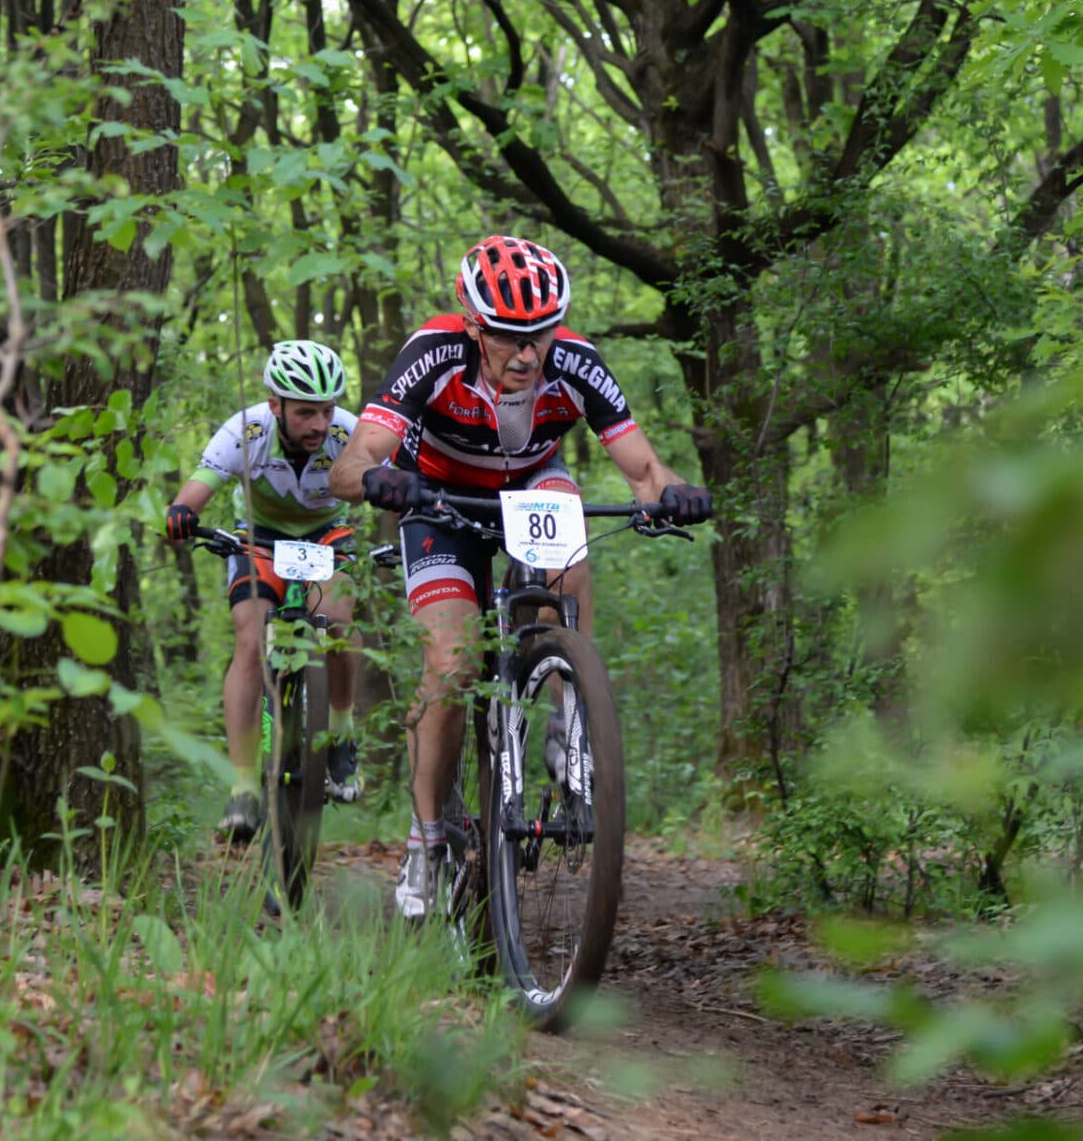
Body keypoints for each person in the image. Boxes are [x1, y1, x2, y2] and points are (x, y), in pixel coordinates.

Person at [328, 234, 712, 919]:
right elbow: (352, 460)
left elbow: (646, 469)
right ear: (474, 327)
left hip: (532, 487)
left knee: (567, 519)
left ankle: (571, 721)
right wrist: (376, 479)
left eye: (540, 333)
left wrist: (675, 491)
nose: (528, 354)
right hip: (438, 502)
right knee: (450, 663)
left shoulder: (576, 362)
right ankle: (425, 835)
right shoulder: (433, 354)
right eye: (508, 337)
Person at [165, 339, 366, 844]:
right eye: (305, 413)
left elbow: (388, 483)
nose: (320, 424)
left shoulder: (348, 431)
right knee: (250, 641)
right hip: (259, 538)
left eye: (326, 409)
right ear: (275, 405)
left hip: (328, 537)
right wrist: (181, 512)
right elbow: (196, 488)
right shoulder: (246, 429)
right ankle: (243, 787)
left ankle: (340, 732)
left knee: (338, 617)